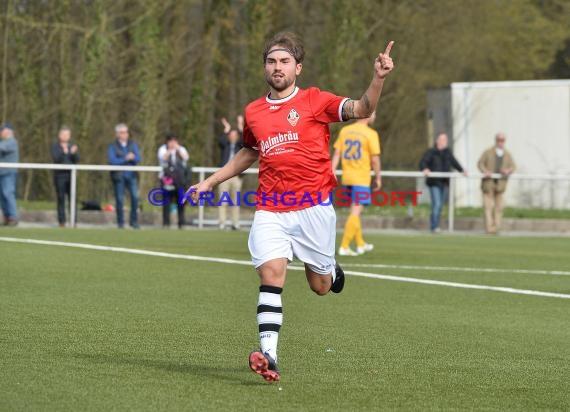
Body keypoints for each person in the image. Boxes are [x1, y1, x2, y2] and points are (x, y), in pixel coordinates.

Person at [185, 32, 394, 382]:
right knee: (271, 275)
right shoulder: (253, 111)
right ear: (264, 68)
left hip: (313, 208)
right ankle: (269, 355)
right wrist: (210, 181)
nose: (277, 67)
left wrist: (378, 78)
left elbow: (362, 109)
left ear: (298, 67)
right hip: (271, 207)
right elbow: (249, 153)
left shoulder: (315, 100)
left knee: (320, 286)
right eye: (271, 61)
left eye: (284, 62)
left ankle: (330, 269)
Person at [331, 111, 381, 256]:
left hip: (347, 177)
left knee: (356, 210)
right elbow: (375, 160)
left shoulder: (345, 130)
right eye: (373, 113)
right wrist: (378, 177)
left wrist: (332, 170)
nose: (375, 116)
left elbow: (337, 153)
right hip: (361, 178)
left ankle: (360, 244)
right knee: (356, 211)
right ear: (367, 115)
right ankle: (344, 246)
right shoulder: (371, 134)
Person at [419, 133, 465, 233]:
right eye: (442, 139)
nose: (444, 141)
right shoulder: (431, 152)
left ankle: (436, 225)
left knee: (439, 206)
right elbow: (423, 162)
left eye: (445, 140)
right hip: (434, 182)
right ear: (437, 141)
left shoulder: (448, 153)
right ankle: (434, 226)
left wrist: (462, 170)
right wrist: (425, 169)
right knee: (437, 204)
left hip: (444, 182)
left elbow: (454, 162)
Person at [477, 132, 516, 234]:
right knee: (488, 207)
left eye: (502, 140)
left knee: (499, 207)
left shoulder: (507, 154)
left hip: (500, 185)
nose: (500, 142)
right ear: (496, 140)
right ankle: (489, 229)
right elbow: (480, 163)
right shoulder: (488, 152)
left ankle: (496, 228)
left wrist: (508, 170)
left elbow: (513, 166)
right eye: (499, 140)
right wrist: (485, 171)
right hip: (488, 184)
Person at [108, 123, 141, 229]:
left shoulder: (133, 144)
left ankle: (134, 222)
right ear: (117, 134)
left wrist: (133, 157)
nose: (124, 134)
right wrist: (125, 159)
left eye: (126, 132)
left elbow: (138, 158)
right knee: (119, 199)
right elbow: (112, 161)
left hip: (131, 175)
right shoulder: (112, 146)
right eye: (122, 132)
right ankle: (120, 223)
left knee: (135, 198)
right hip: (119, 176)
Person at [157, 132, 190, 228]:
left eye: (174, 140)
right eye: (170, 141)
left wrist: (177, 149)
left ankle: (181, 223)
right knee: (166, 200)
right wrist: (170, 150)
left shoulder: (181, 149)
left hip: (179, 179)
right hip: (167, 179)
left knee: (181, 200)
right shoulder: (163, 149)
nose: (172, 143)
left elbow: (186, 158)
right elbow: (163, 158)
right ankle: (166, 223)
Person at [217, 116, 243, 230]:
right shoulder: (225, 146)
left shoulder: (240, 147)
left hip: (236, 177)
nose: (232, 137)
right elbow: (220, 141)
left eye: (234, 135)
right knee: (222, 200)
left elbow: (245, 140)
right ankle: (222, 223)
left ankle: (235, 223)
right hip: (224, 177)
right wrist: (226, 128)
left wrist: (240, 125)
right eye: (230, 135)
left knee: (235, 201)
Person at [50, 126, 80, 227]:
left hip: (71, 175)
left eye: (67, 135)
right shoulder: (55, 146)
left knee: (73, 199)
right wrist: (64, 152)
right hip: (60, 176)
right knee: (61, 198)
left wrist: (73, 153)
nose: (65, 136)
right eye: (63, 134)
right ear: (59, 135)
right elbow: (56, 158)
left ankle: (73, 221)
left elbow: (77, 160)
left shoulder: (73, 146)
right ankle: (61, 222)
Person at [0, 122, 19, 226]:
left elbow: (2, 147)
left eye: (2, 130)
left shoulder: (12, 142)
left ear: (8, 131)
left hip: (9, 173)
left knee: (8, 193)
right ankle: (7, 216)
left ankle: (13, 217)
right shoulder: (3, 142)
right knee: (2, 196)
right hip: (2, 173)